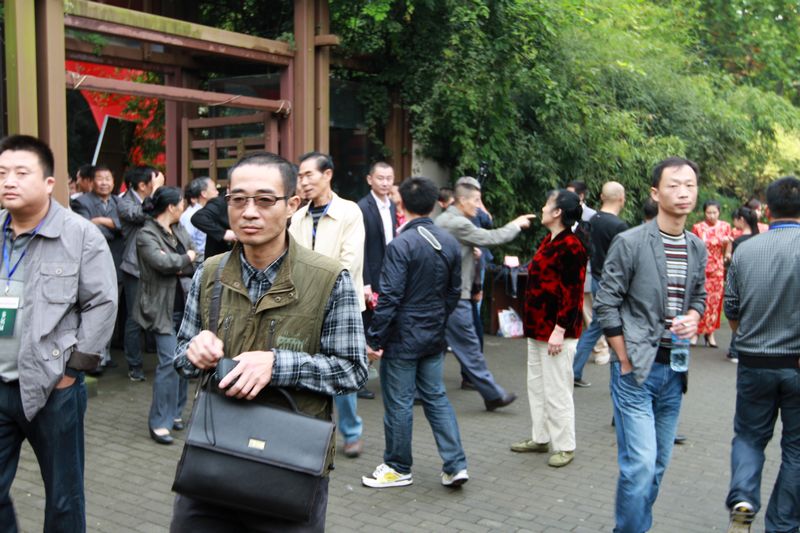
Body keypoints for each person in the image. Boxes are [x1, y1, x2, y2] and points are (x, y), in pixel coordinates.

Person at [171, 151, 368, 532]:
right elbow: (181, 358)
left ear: (292, 205)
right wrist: (195, 352)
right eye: (238, 200)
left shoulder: (329, 279)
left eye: (264, 200)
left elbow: (352, 370)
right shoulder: (208, 274)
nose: (249, 212)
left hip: (290, 466)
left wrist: (278, 364)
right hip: (213, 459)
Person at [0, 135, 118, 531]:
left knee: (64, 497)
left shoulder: (80, 235)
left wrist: (73, 371)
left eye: (21, 173)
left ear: (49, 182)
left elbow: (102, 303)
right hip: (1, 382)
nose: (9, 181)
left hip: (54, 386)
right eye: (2, 173)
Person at [594, 156, 707, 533]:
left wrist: (694, 316)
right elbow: (606, 302)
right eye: (674, 185)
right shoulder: (630, 242)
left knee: (657, 466)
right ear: (656, 193)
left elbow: (700, 295)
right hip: (635, 372)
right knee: (640, 465)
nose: (683, 192)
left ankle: (632, 526)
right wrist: (622, 357)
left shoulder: (696, 246)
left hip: (675, 370)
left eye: (689, 185)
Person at [361, 176, 468, 489]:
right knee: (436, 398)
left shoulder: (401, 244)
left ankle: (398, 467)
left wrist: (375, 338)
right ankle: (456, 465)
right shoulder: (449, 241)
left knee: (399, 403)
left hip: (402, 338)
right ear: (434, 204)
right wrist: (437, 318)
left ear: (401, 205)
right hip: (433, 335)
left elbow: (390, 297)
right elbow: (454, 291)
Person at [723, 176, 800, 533]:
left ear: (767, 210)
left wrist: (746, 337)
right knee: (796, 450)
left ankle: (743, 498)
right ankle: (782, 524)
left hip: (754, 362)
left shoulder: (745, 250)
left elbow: (731, 307)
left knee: (749, 437)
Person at [290, 151, 367, 458]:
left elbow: (350, 261)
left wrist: (319, 289)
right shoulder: (298, 216)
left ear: (327, 175)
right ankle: (313, 430)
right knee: (307, 369)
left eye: (309, 175)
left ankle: (351, 432)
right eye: (300, 176)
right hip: (303, 304)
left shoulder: (350, 212)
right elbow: (290, 259)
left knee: (343, 370)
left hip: (342, 305)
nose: (303, 182)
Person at [435, 178, 535, 410]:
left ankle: (423, 390)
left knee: (435, 347)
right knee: (470, 348)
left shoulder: (448, 220)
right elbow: (492, 237)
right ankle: (492, 395)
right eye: (476, 201)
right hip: (455, 298)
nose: (479, 207)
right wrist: (516, 224)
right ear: (462, 200)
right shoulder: (457, 222)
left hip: (445, 295)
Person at [511, 189, 588, 468]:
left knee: (557, 390)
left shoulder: (572, 246)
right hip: (537, 328)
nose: (542, 208)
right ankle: (540, 437)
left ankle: (565, 445)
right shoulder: (550, 239)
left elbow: (572, 293)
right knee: (537, 386)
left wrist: (559, 329)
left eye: (547, 205)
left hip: (556, 332)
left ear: (557, 212)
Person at [134, 187, 196, 445]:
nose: (183, 207)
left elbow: (195, 257)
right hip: (160, 308)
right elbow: (162, 264)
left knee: (184, 360)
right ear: (171, 206)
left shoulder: (179, 228)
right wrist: (185, 259)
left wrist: (181, 261)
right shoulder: (146, 234)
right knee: (169, 362)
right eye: (181, 203)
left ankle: (176, 413)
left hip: (185, 304)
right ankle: (159, 422)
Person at [572, 182, 627, 388]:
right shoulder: (619, 227)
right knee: (616, 327)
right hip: (613, 284)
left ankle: (573, 370)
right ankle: (623, 376)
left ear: (602, 197)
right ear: (621, 198)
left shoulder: (591, 220)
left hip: (596, 278)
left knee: (596, 326)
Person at [72, 164, 125, 371]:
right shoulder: (81, 202)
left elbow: (127, 226)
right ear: (91, 182)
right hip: (91, 264)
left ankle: (106, 355)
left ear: (113, 181)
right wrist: (115, 227)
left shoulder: (119, 202)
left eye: (108, 178)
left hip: (117, 263)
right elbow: (87, 229)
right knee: (92, 310)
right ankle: (92, 358)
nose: (104, 183)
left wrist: (102, 221)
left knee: (111, 310)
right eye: (100, 178)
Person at [118, 166, 165, 381]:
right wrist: (156, 191)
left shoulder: (149, 197)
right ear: (143, 185)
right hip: (135, 267)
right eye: (154, 181)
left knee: (158, 314)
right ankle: (134, 366)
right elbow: (143, 214)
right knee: (135, 318)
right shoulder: (125, 202)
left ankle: (161, 357)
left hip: (156, 264)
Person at [357, 162, 397, 400]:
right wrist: (364, 282)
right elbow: (359, 247)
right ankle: (358, 380)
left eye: (389, 178)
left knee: (385, 323)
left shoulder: (393, 206)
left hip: (390, 273)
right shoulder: (362, 207)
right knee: (367, 328)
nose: (385, 182)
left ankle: (381, 374)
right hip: (371, 277)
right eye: (380, 178)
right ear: (369, 179)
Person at [566, 180, 608, 366]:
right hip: (568, 269)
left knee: (589, 313)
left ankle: (602, 349)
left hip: (588, 270)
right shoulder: (564, 214)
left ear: (581, 196)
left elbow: (595, 248)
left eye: (570, 193)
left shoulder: (592, 216)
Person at [691, 199, 732, 348]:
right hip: (701, 268)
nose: (712, 215)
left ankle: (710, 333)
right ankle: (696, 332)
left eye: (714, 212)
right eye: (709, 212)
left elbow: (728, 245)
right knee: (700, 299)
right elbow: (693, 247)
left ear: (719, 212)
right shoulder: (698, 228)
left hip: (717, 269)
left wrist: (727, 254)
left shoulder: (725, 227)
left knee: (714, 302)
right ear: (704, 213)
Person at [724, 207, 760, 365]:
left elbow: (732, 263)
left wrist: (727, 252)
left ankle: (734, 350)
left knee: (738, 313)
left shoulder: (738, 241)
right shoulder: (759, 238)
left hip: (741, 282)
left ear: (742, 220)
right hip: (756, 282)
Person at [190, 186, 234, 260]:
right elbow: (198, 217)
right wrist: (223, 233)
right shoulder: (219, 202)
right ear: (228, 188)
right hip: (219, 259)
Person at [180, 176, 218, 260]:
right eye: (214, 189)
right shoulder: (190, 215)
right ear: (204, 194)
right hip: (199, 261)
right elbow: (187, 245)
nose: (217, 193)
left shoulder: (207, 212)